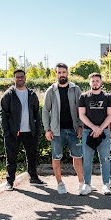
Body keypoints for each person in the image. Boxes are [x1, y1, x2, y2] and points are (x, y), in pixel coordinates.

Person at [0, 69, 46, 190]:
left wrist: (37, 129)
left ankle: (34, 178)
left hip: (30, 132)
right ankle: (10, 181)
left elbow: (36, 113)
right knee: (11, 158)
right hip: (13, 133)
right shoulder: (9, 94)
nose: (20, 79)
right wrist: (6, 132)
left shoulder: (31, 94)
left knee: (32, 156)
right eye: (17, 77)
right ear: (14, 79)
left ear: (25, 78)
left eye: (22, 76)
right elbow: (3, 113)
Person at [42, 63, 84, 194]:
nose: (62, 74)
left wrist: (81, 126)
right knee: (56, 158)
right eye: (59, 72)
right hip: (56, 132)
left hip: (73, 130)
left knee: (77, 156)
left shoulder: (75, 89)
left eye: (64, 72)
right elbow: (45, 110)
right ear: (56, 74)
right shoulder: (51, 90)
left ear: (67, 73)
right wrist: (47, 130)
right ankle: (60, 183)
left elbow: (81, 109)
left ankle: (81, 183)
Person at [78, 73, 111, 195]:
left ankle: (106, 184)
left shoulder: (107, 97)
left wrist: (100, 129)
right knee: (87, 160)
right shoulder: (84, 97)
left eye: (97, 81)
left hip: (103, 132)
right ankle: (87, 185)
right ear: (89, 82)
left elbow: (110, 115)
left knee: (105, 159)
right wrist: (94, 127)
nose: (95, 83)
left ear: (101, 82)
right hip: (88, 132)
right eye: (93, 81)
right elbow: (81, 115)